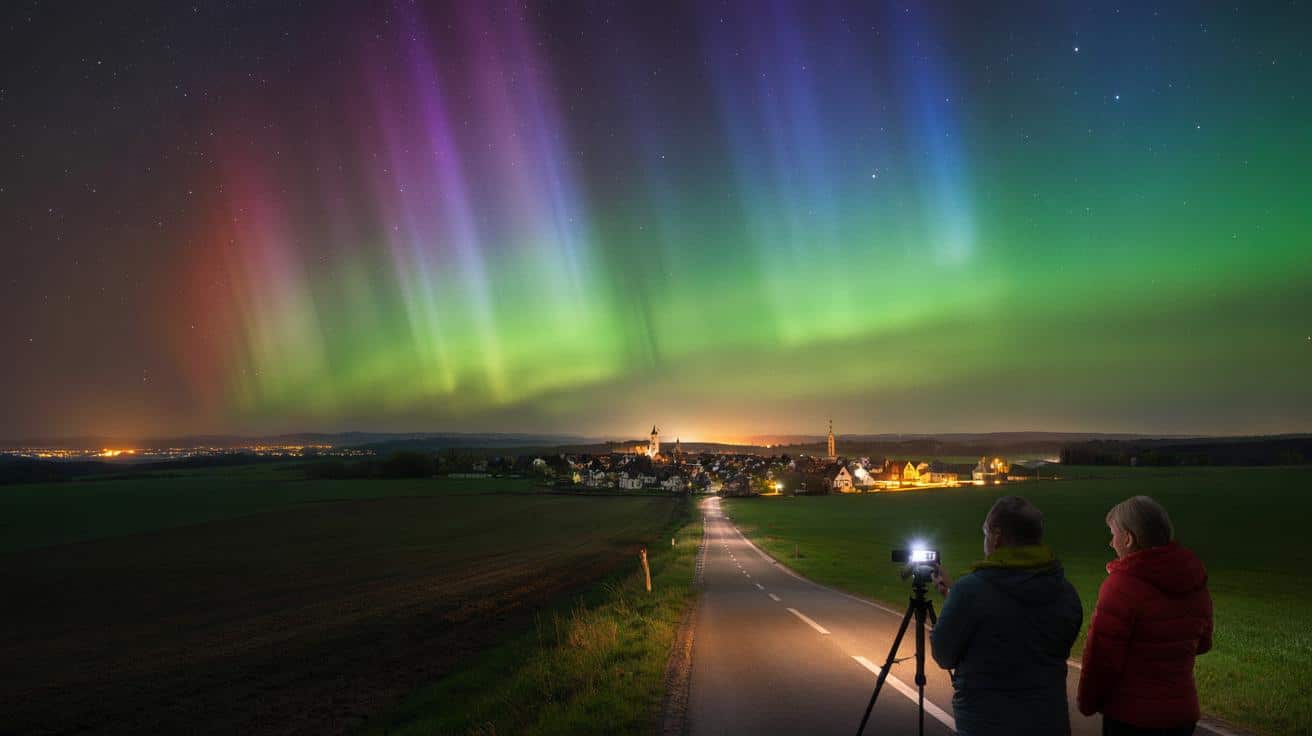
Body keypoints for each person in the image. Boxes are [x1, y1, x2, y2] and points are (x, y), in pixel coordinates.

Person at [930, 496, 1084, 736]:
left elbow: (943, 654)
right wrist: (956, 595)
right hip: (1050, 722)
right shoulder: (1066, 592)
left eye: (985, 534)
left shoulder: (970, 591)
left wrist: (956, 598)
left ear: (996, 536)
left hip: (986, 724)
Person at [1078, 496, 1213, 736]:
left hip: (1131, 717)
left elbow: (1102, 658)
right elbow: (1202, 643)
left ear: (1128, 539)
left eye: (1113, 533)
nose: (1111, 542)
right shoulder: (1193, 578)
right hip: (1182, 714)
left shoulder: (1121, 587)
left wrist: (1088, 702)